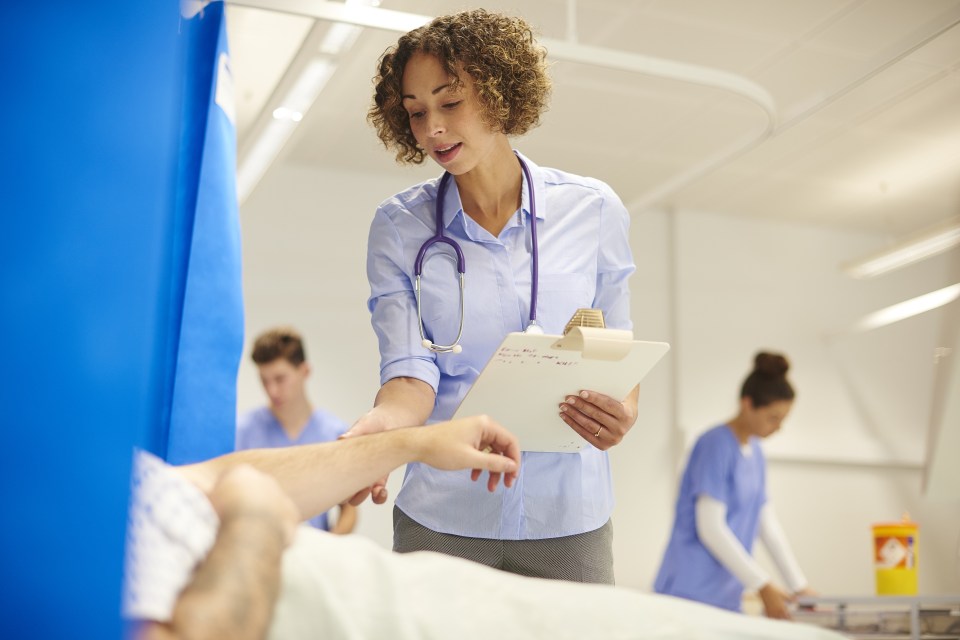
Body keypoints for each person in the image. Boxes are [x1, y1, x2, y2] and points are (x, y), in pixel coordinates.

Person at [353, 8, 637, 584]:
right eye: (415, 112)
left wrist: (622, 411)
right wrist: (382, 428)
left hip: (569, 517)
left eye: (450, 102)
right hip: (444, 515)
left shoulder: (594, 210)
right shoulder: (398, 227)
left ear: (499, 94)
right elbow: (410, 373)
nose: (432, 127)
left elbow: (614, 351)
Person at [123, 414, 845, 640]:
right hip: (335, 606)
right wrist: (251, 513)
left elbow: (218, 475)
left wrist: (413, 442)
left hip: (386, 587)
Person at [654, 351, 815, 619]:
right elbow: (711, 528)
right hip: (690, 590)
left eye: (783, 420)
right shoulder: (715, 445)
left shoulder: (756, 452)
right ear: (747, 404)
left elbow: (766, 524)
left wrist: (799, 586)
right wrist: (763, 585)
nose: (778, 428)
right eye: (773, 418)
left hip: (726, 594)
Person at [237, 327, 357, 534]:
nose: (272, 390)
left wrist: (327, 548)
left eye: (280, 379)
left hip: (315, 553)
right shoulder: (244, 431)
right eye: (264, 380)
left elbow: (349, 510)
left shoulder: (333, 433)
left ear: (305, 371)